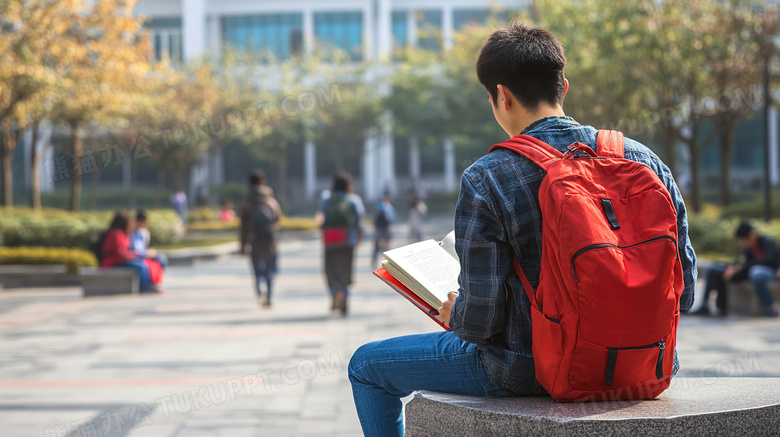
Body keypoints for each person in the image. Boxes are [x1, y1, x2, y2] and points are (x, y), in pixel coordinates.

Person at [347, 23, 696, 436]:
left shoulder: (487, 177)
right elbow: (685, 291)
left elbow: (480, 324)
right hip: (644, 363)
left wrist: (453, 311)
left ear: (502, 96)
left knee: (365, 366)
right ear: (562, 86)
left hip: (526, 369)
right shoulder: (644, 161)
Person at [693, 221, 780, 317]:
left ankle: (771, 306)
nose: (743, 244)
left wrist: (740, 268)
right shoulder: (749, 247)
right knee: (714, 270)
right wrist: (734, 268)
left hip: (771, 271)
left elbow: (768, 261)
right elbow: (745, 262)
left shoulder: (767, 242)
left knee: (756, 272)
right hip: (750, 270)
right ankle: (707, 305)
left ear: (750, 235)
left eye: (743, 240)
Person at [320, 171, 364, 316]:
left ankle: (334, 293)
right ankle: (344, 297)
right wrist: (358, 237)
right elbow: (358, 220)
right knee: (346, 270)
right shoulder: (353, 200)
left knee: (331, 270)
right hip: (347, 239)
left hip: (330, 239)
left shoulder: (327, 198)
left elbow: (322, 218)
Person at [240, 170, 281, 308]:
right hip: (271, 241)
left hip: (254, 241)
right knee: (270, 269)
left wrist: (242, 245)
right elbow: (277, 220)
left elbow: (243, 227)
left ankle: (259, 289)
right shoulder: (271, 201)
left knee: (257, 270)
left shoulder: (247, 203)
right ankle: (269, 294)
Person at [101, 211, 163, 293]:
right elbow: (120, 254)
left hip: (121, 260)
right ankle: (144, 289)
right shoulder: (116, 234)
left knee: (149, 262)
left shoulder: (123, 234)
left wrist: (137, 255)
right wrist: (137, 255)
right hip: (114, 262)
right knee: (142, 266)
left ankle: (151, 285)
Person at [371, 194, 396, 269]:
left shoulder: (380, 205)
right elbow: (393, 218)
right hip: (387, 229)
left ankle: (374, 261)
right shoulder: (390, 207)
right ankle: (389, 262)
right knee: (387, 247)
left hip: (379, 229)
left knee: (377, 247)